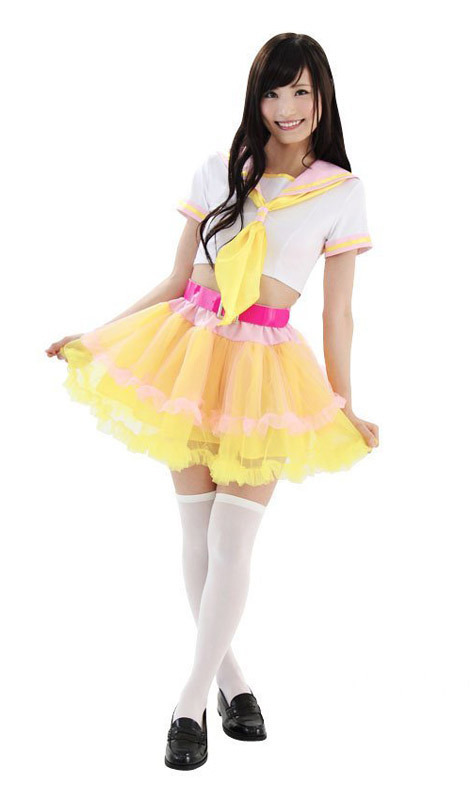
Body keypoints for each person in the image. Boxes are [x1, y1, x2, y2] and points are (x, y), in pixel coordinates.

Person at [45, 32, 379, 770]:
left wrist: (342, 401)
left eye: (300, 91)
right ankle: (232, 682)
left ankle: (189, 700)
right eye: (272, 91)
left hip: (266, 368)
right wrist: (98, 336)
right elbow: (176, 280)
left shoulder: (341, 191)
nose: (286, 107)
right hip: (190, 350)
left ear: (321, 97)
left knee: (234, 540)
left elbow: (337, 311)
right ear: (255, 99)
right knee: (197, 535)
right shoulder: (218, 170)